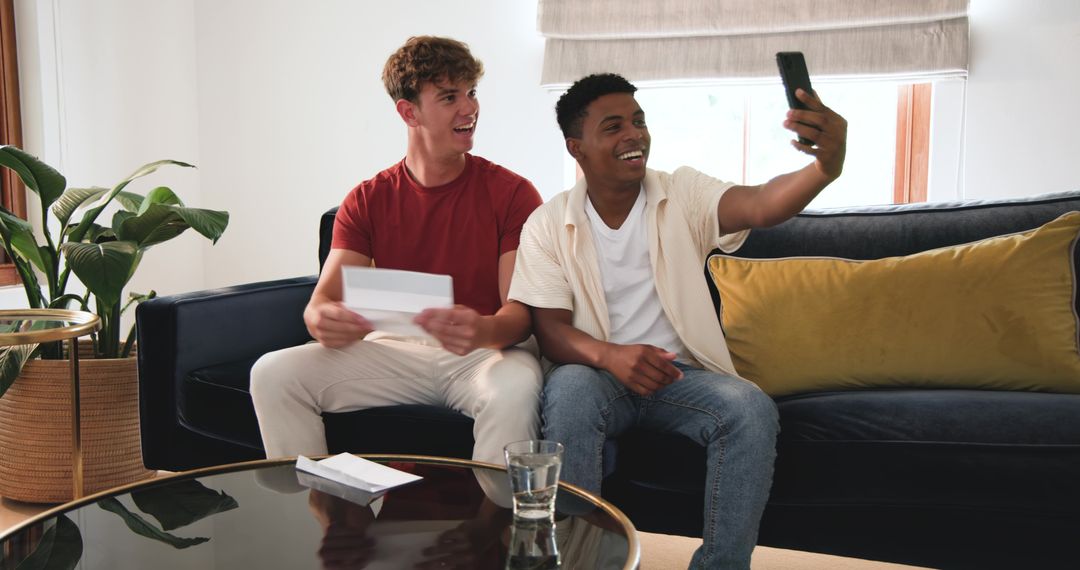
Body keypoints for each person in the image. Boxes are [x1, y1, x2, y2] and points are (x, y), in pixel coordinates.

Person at [508, 73, 847, 569]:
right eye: (614, 126)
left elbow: (760, 203)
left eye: (639, 121)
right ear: (576, 148)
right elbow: (550, 330)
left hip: (679, 378)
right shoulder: (546, 223)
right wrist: (611, 356)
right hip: (598, 375)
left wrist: (824, 167)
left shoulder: (681, 192)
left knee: (749, 408)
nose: (634, 135)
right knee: (573, 388)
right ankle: (579, 562)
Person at [250, 36, 544, 466]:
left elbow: (518, 316)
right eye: (449, 97)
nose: (470, 108)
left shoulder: (513, 194)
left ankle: (499, 526)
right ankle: (314, 511)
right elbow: (321, 304)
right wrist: (323, 321)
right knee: (272, 374)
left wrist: (479, 329)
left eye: (472, 92)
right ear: (409, 111)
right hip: (395, 350)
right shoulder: (367, 199)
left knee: (515, 390)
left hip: (485, 356)